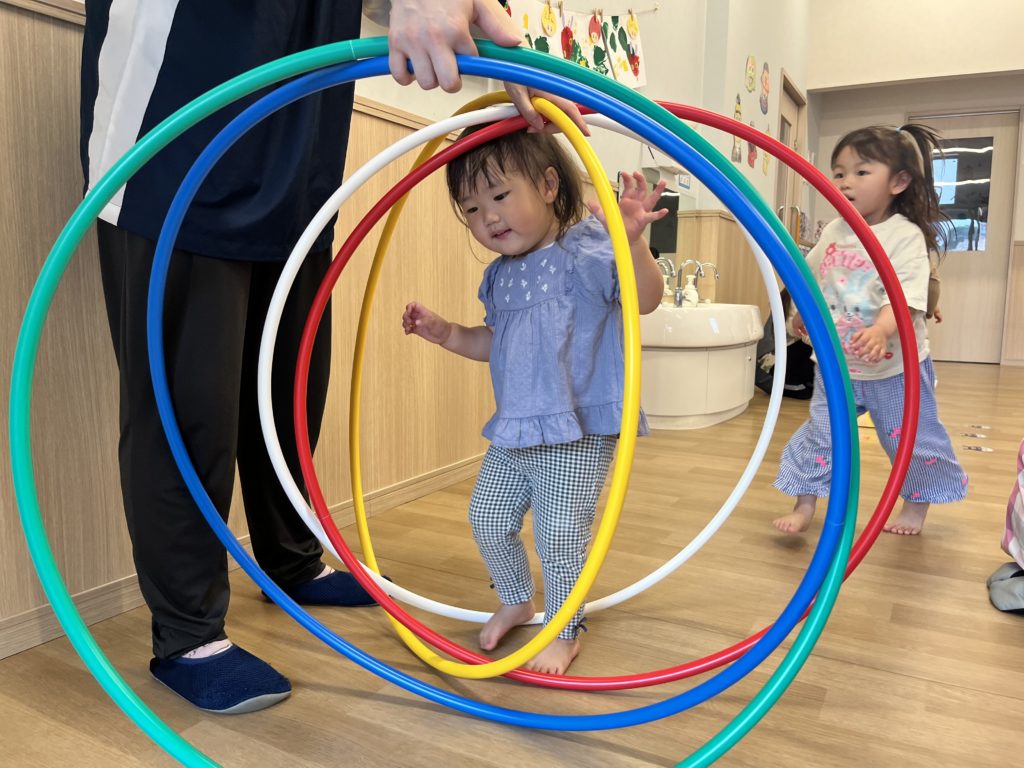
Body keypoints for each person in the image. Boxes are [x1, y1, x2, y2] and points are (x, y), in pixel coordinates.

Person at [80, 0, 585, 715]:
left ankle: (289, 559)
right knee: (190, 401)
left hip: (300, 150)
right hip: (183, 116)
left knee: (292, 384)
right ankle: (188, 633)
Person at [402, 127, 666, 675]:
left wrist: (633, 243)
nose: (489, 217)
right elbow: (494, 343)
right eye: (472, 208)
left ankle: (564, 629)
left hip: (575, 429)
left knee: (559, 535)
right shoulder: (499, 277)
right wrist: (447, 333)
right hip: (517, 426)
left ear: (548, 186)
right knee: (486, 518)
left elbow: (644, 301)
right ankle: (518, 599)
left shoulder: (588, 250)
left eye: (500, 195)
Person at [771, 124, 968, 537]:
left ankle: (916, 505)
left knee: (909, 439)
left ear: (898, 182)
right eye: (839, 173)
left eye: (861, 172)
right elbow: (812, 277)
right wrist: (801, 313)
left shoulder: (904, 236)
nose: (846, 182)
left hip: (894, 370)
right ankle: (804, 504)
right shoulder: (834, 231)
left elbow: (907, 295)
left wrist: (881, 329)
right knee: (822, 436)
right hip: (837, 365)